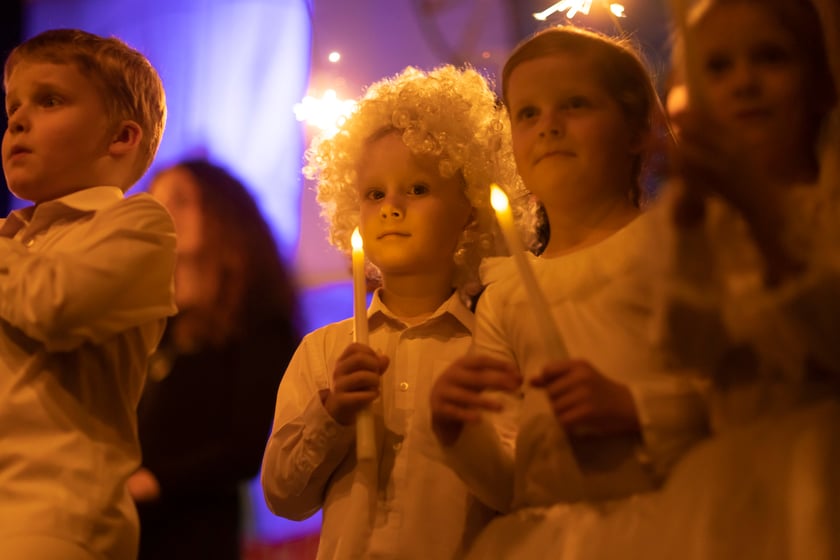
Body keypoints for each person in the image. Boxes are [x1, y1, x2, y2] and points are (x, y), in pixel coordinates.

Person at [428, 25, 709, 558]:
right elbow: (513, 481)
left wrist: (635, 409)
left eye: (574, 105)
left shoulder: (676, 247)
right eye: (527, 114)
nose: (548, 127)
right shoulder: (506, 293)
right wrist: (459, 431)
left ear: (634, 130)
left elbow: (738, 400)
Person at [260, 64, 532, 560]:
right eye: (374, 194)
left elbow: (519, 491)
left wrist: (464, 432)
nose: (391, 208)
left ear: (469, 206)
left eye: (418, 189)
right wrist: (332, 413)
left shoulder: (496, 347)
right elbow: (283, 496)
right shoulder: (324, 351)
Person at [634, 0, 840, 557]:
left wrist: (764, 212)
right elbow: (687, 350)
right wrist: (693, 220)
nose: (743, 82)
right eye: (718, 67)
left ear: (820, 83)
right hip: (732, 480)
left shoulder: (825, 206)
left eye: (769, 58)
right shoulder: (696, 224)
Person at [0, 29, 175, 560]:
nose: (17, 120)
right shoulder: (10, 242)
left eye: (49, 100)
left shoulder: (140, 224)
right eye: (12, 105)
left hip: (52, 520)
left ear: (121, 138)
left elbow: (58, 305)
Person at [127, 160, 301, 560]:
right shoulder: (150, 323)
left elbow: (245, 447)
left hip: (194, 534)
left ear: (223, 215)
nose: (164, 212)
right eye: (156, 201)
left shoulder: (258, 324)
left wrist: (153, 481)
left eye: (181, 200)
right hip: (125, 529)